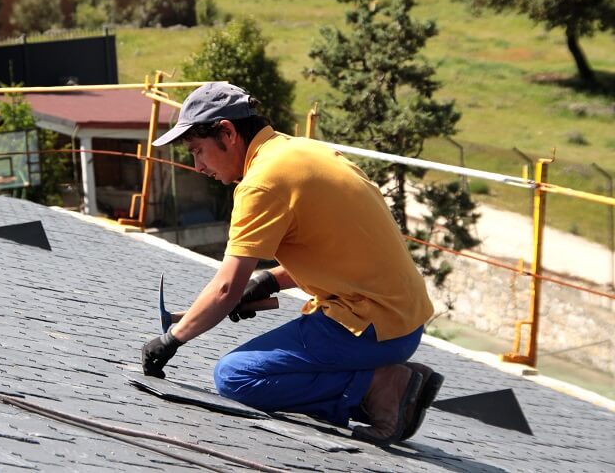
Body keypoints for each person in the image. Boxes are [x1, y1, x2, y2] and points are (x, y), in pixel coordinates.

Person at [141, 82, 444, 446]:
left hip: (370, 329)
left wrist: (171, 340)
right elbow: (337, 252)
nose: (198, 166)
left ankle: (380, 386)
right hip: (403, 321)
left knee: (235, 377)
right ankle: (381, 388)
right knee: (258, 369)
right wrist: (268, 281)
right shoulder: (299, 151)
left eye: (199, 151)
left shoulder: (262, 183)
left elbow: (225, 288)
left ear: (227, 132)